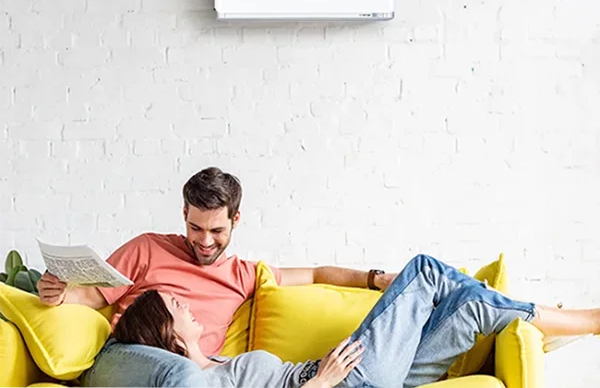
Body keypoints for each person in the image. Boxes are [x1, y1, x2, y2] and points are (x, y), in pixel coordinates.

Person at [36, 167, 399, 386]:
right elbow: (91, 297)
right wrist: (58, 294)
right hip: (129, 357)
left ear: (235, 220)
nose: (205, 241)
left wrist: (374, 278)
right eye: (196, 228)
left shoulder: (242, 275)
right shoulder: (147, 248)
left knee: (190, 375)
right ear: (184, 213)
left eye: (217, 230)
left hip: (200, 376)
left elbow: (316, 273)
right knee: (184, 374)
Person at [102, 254, 600, 388]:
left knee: (469, 308)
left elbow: (315, 271)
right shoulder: (194, 381)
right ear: (165, 331)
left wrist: (374, 279)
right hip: (346, 379)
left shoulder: (210, 362)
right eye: (175, 305)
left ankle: (556, 323)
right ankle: (583, 320)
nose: (186, 305)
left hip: (364, 376)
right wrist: (320, 383)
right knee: (425, 270)